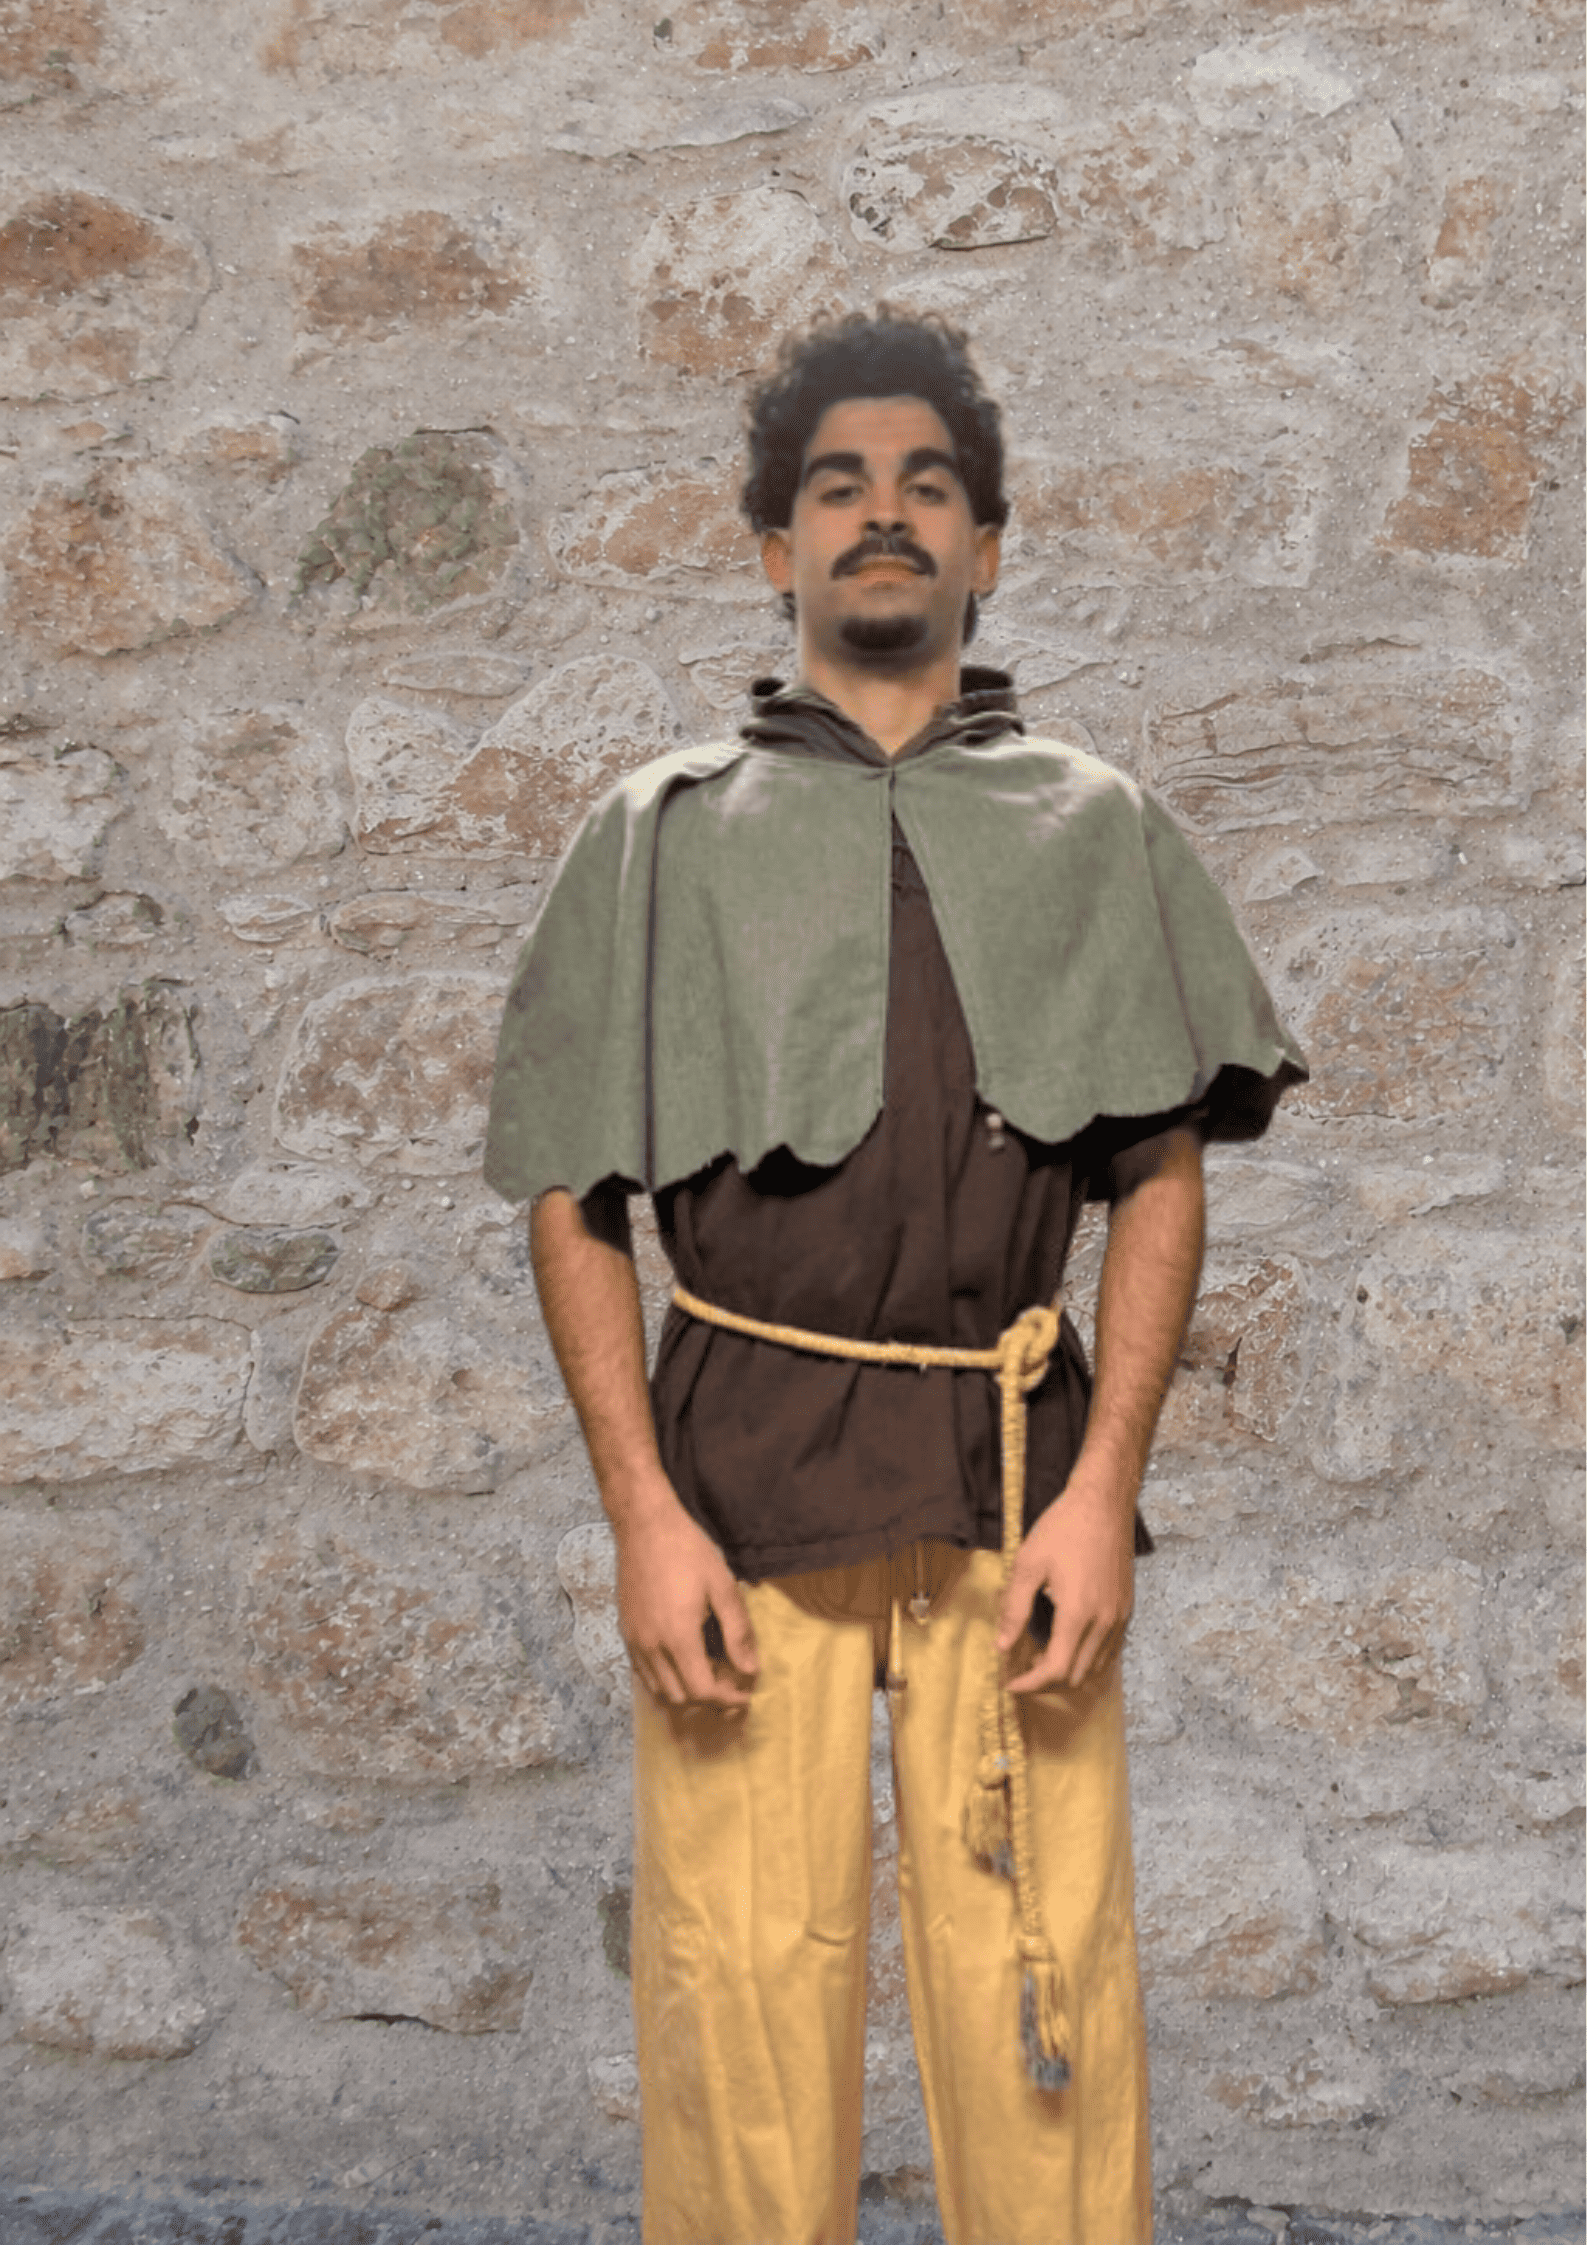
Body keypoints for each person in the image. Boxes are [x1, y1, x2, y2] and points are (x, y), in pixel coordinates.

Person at [485, 310, 1307, 2245]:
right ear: (774, 547)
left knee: (1045, 1993)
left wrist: (1104, 1493)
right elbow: (571, 1199)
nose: (884, 516)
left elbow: (1157, 1176)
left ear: (984, 545)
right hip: (738, 1488)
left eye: (926, 488)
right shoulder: (658, 835)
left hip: (1016, 1490)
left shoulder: (1095, 825)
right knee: (739, 2007)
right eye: (838, 486)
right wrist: (640, 1520)